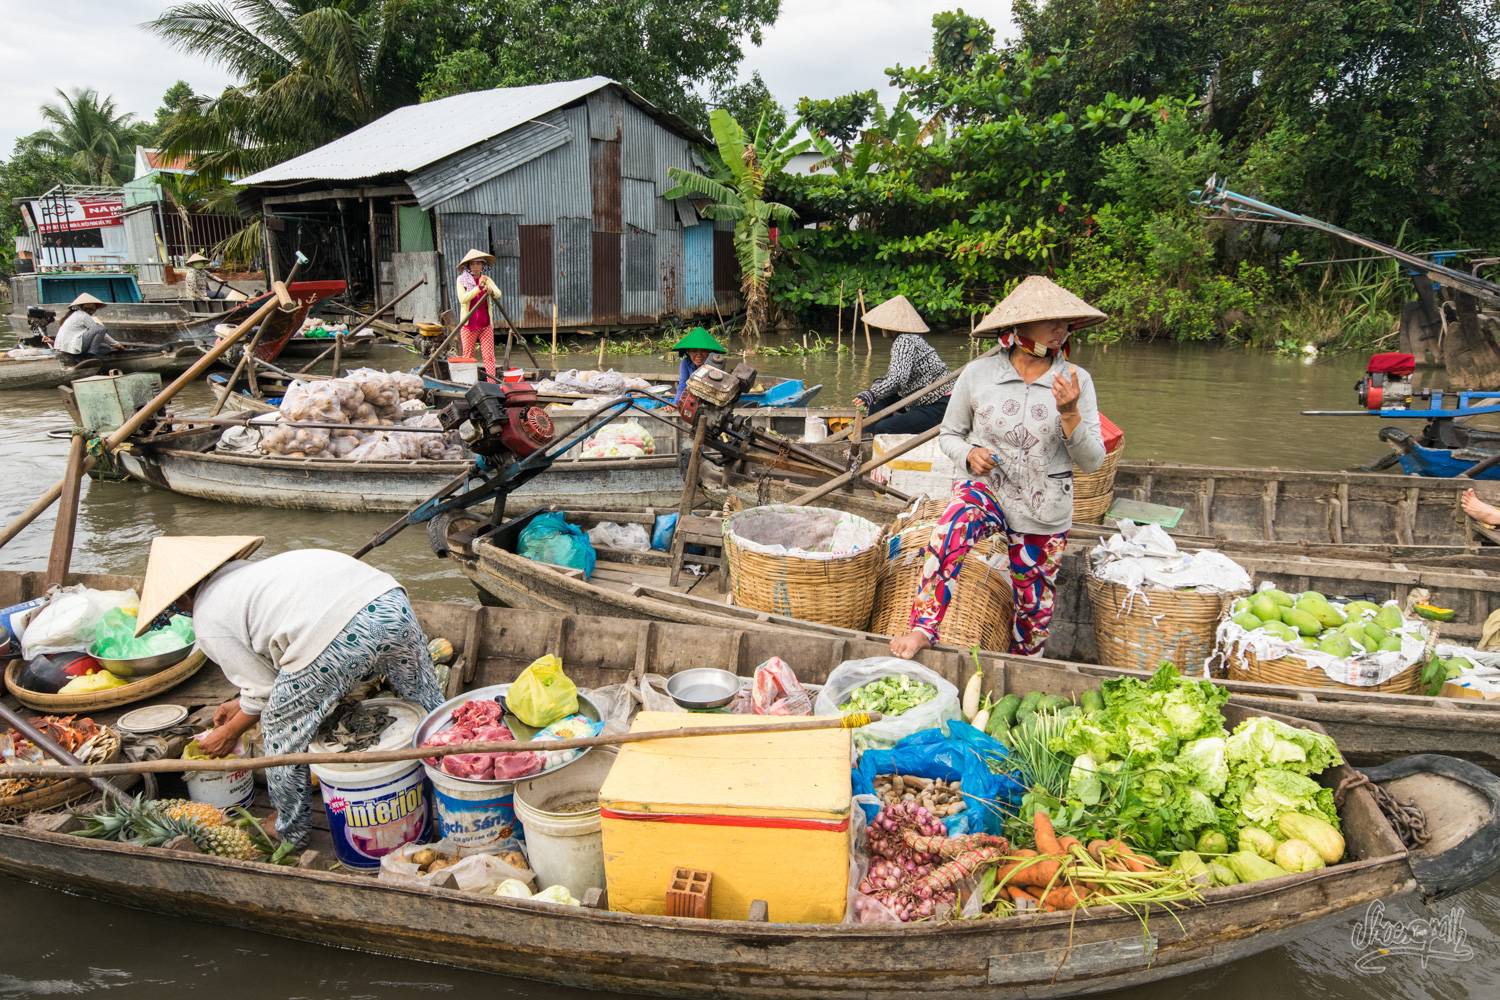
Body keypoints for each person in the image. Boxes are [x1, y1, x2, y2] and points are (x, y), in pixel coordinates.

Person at [134, 536, 445, 846]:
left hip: (342, 635)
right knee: (429, 705)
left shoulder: (206, 617)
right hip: (390, 602)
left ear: (181, 598)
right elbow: (271, 672)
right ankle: (453, 781)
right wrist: (239, 704)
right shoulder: (246, 574)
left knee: (279, 730)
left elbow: (264, 691)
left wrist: (230, 732)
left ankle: (289, 830)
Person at [890, 276, 1108, 660]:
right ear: (1019, 327)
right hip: (987, 489)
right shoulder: (978, 374)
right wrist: (969, 454)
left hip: (1043, 509)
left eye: (1066, 322)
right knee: (949, 530)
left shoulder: (1076, 382)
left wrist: (1070, 412)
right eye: (1051, 321)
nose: (1061, 329)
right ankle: (924, 626)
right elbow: (950, 434)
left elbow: (1092, 461)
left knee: (1033, 616)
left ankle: (1021, 667)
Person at [853, 294, 951, 434]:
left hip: (936, 405)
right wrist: (877, 390)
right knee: (880, 399)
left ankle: (871, 439)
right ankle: (867, 435)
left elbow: (898, 379)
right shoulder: (911, 338)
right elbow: (897, 375)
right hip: (921, 398)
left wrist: (871, 393)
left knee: (884, 428)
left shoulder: (904, 341)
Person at [455, 248, 501, 379]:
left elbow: (498, 294)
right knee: (468, 356)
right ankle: (468, 383)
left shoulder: (486, 279)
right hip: (468, 325)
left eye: (479, 264)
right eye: (473, 264)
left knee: (489, 357)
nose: (476, 267)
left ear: (482, 266)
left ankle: (492, 383)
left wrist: (490, 289)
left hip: (485, 325)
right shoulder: (461, 280)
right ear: (468, 266)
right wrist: (478, 288)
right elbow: (462, 299)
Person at [52, 293, 125, 366]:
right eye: (88, 309)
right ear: (83, 308)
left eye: (92, 309)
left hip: (67, 346)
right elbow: (101, 332)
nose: (91, 311)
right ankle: (90, 356)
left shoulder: (74, 315)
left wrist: (111, 345)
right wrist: (116, 344)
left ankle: (81, 357)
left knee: (105, 348)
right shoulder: (83, 315)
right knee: (101, 328)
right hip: (72, 346)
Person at [670, 326, 726, 405]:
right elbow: (682, 386)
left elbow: (715, 390)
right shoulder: (685, 363)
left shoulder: (715, 364)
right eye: (694, 351)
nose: (699, 355)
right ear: (688, 352)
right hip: (693, 398)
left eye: (703, 350)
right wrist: (676, 404)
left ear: (709, 352)